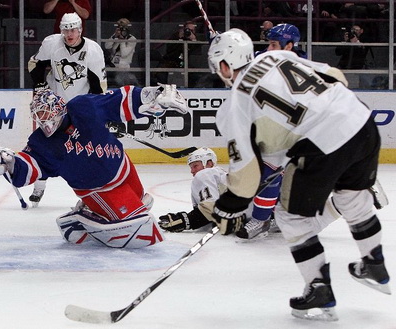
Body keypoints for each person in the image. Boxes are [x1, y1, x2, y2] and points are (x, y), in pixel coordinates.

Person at [207, 28, 390, 321]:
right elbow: (334, 75)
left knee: (292, 218)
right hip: (361, 122)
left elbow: (246, 175)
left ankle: (319, 289)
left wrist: (228, 208)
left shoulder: (237, 102)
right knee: (351, 199)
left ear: (225, 65)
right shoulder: (277, 55)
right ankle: (374, 263)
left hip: (323, 143)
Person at [0, 83, 188, 248]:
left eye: (47, 115)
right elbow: (28, 168)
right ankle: (81, 219)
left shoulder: (83, 106)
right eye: (39, 117)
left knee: (145, 202)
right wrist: (7, 165)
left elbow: (121, 101)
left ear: (59, 109)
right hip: (97, 190)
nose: (44, 122)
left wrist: (155, 95)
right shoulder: (41, 142)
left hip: (123, 167)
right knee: (141, 225)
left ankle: (94, 214)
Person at [27, 12, 107, 207]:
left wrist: (98, 112)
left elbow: (99, 86)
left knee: (86, 151)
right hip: (54, 106)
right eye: (65, 29)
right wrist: (39, 85)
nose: (69, 34)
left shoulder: (93, 50)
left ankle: (90, 195)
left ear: (80, 29)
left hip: (80, 107)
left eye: (72, 29)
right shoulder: (52, 44)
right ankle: (39, 186)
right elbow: (34, 64)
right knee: (44, 147)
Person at [158, 147, 282, 240]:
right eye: (191, 167)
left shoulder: (205, 174)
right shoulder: (221, 177)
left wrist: (186, 220)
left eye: (195, 165)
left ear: (210, 163)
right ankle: (274, 216)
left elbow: (211, 210)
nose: (192, 171)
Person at [157, 21, 199, 85]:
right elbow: (169, 49)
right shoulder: (175, 36)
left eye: (192, 30)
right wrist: (178, 38)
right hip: (170, 61)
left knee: (195, 76)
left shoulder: (193, 38)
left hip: (184, 63)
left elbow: (195, 51)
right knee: (161, 75)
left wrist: (194, 41)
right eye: (188, 30)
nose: (189, 32)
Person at [104, 18, 138, 87]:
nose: (121, 31)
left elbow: (124, 54)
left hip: (123, 67)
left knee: (118, 79)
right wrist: (114, 37)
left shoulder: (132, 39)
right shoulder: (116, 36)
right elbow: (107, 46)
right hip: (112, 66)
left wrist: (122, 41)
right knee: (101, 74)